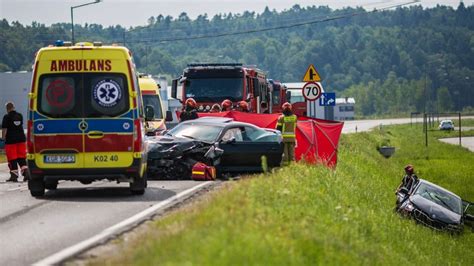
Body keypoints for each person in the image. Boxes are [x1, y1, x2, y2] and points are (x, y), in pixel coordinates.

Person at [1, 102, 29, 182]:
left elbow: (4, 129)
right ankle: (26, 173)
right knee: (21, 157)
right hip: (21, 140)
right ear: (14, 107)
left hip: (11, 141)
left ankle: (14, 176)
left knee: (12, 158)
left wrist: (3, 138)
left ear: (7, 109)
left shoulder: (6, 117)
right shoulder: (19, 115)